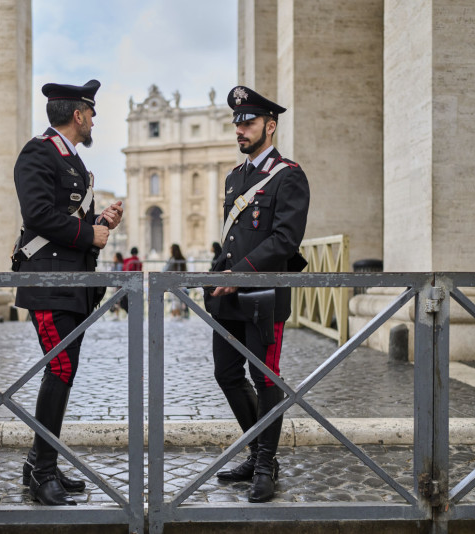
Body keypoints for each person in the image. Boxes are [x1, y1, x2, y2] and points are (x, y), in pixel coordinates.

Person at [12, 79, 123, 506]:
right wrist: (88, 233)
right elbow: (38, 215)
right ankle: (42, 473)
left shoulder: (74, 161)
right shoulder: (38, 152)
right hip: (48, 284)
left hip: (73, 285)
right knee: (59, 369)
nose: (94, 120)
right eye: (91, 113)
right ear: (78, 115)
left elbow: (71, 221)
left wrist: (102, 223)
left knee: (64, 371)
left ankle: (41, 463)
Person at [203, 86, 310, 503]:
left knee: (264, 378)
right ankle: (256, 452)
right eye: (237, 124)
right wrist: (215, 276)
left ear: (270, 126)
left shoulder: (288, 174)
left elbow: (285, 239)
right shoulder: (235, 177)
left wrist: (241, 274)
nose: (240, 130)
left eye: (248, 123)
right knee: (226, 374)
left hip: (264, 295)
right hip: (229, 296)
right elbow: (231, 240)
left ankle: (265, 464)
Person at [162, 244, 187, 318]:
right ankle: (177, 315)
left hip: (172, 282)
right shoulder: (182, 259)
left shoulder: (172, 259)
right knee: (177, 299)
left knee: (175, 299)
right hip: (180, 282)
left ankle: (176, 315)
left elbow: (165, 269)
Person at [119, 247, 143, 312]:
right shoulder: (139, 262)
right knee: (136, 299)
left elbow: (125, 270)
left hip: (128, 282)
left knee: (127, 299)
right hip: (137, 283)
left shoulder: (128, 261)